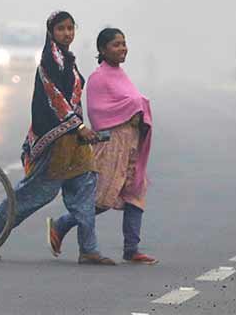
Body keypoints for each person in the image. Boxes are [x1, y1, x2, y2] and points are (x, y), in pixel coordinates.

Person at [0, 11, 115, 265]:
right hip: (54, 144)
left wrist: (81, 131)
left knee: (85, 193)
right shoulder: (48, 63)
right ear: (51, 32)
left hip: (76, 145)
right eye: (61, 29)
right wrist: (78, 127)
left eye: (70, 28)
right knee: (33, 195)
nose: (67, 33)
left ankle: (89, 249)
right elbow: (55, 99)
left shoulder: (69, 60)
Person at [50, 28, 157, 264]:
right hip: (111, 146)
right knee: (102, 198)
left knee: (135, 194)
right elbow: (98, 113)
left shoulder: (121, 74)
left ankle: (132, 249)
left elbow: (132, 103)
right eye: (116, 44)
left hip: (131, 144)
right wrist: (133, 108)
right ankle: (62, 224)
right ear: (102, 50)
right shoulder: (99, 77)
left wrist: (137, 111)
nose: (122, 48)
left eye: (124, 43)